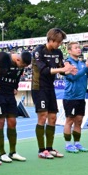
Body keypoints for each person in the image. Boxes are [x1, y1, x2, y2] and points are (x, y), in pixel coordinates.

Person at [32, 28, 77, 158]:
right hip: (39, 87)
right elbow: (44, 70)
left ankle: (50, 148)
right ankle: (41, 150)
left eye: (61, 42)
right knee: (43, 116)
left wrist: (69, 70)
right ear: (51, 40)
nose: (59, 44)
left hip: (50, 88)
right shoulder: (38, 51)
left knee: (53, 118)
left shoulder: (58, 52)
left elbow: (61, 68)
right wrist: (62, 69)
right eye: (58, 42)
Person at [0, 51, 32, 162]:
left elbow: (17, 77)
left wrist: (15, 87)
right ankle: (2, 153)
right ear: (18, 60)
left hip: (10, 95)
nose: (23, 68)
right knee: (0, 122)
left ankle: (13, 152)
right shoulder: (4, 59)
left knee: (13, 122)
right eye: (22, 65)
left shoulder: (20, 66)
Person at [61, 42, 88, 154]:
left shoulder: (82, 63)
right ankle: (68, 144)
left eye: (79, 48)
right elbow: (73, 77)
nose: (78, 49)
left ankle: (77, 143)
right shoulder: (67, 63)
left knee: (79, 121)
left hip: (81, 97)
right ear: (69, 51)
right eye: (76, 48)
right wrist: (86, 68)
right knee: (69, 121)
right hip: (70, 97)